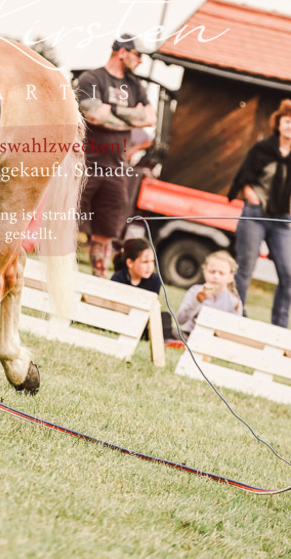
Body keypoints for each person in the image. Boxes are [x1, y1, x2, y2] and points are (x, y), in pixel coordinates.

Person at [76, 35, 157, 276]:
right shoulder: (92, 78)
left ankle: (98, 281)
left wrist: (111, 110)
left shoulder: (135, 86)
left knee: (106, 231)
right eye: (138, 55)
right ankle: (58, 272)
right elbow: (94, 115)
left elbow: (150, 118)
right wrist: (130, 117)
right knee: (66, 222)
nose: (141, 61)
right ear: (122, 52)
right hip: (85, 164)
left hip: (116, 170)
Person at [227, 100, 291, 327]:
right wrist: (252, 197)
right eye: (287, 121)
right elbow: (244, 176)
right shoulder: (262, 148)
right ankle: (236, 316)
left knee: (288, 273)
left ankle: (280, 325)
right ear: (279, 123)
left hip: (283, 220)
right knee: (245, 268)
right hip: (255, 214)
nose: (290, 126)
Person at [176, 250, 242, 335]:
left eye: (221, 273)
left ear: (230, 277)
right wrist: (197, 300)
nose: (216, 276)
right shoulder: (195, 291)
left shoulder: (234, 302)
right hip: (190, 335)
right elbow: (180, 319)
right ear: (204, 272)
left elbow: (234, 331)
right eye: (212, 272)